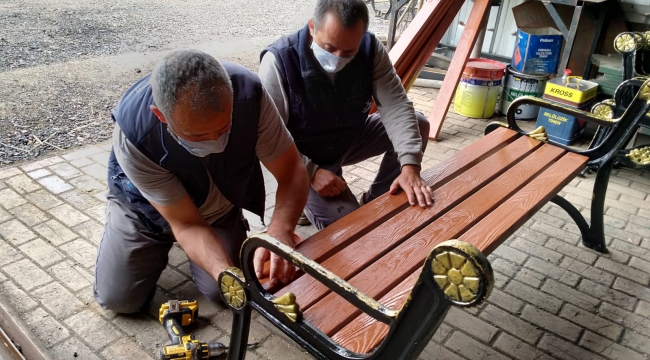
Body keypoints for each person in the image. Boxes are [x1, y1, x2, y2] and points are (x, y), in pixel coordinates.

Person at [94, 50, 309, 313]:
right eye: (197, 135)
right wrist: (223, 270)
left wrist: (281, 229)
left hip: (215, 203)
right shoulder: (135, 136)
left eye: (223, 128)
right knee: (120, 300)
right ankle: (146, 239)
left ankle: (222, 229)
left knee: (220, 290)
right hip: (147, 210)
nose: (215, 143)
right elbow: (185, 224)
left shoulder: (249, 95)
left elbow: (291, 171)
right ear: (161, 116)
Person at [259, 0, 434, 230]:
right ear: (312, 26)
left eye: (349, 52)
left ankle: (376, 200)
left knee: (417, 124)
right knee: (351, 229)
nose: (337, 59)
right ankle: (303, 198)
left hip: (348, 138)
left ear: (361, 38)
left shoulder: (370, 49)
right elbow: (268, 140)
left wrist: (410, 167)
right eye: (329, 48)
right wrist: (310, 172)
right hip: (303, 156)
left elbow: (396, 105)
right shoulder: (279, 61)